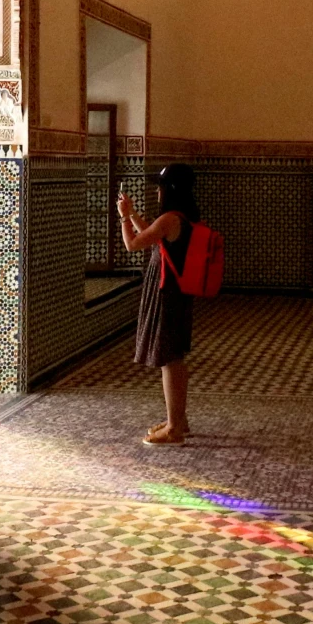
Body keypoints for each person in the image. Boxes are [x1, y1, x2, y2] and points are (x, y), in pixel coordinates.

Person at [119, 162, 199, 444]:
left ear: (170, 190)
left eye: (160, 187)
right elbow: (153, 236)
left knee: (170, 358)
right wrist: (133, 214)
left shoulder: (170, 219)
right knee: (173, 356)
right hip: (176, 291)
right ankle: (178, 420)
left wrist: (123, 219)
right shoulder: (182, 217)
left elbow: (133, 244)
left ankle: (175, 429)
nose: (157, 192)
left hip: (168, 293)